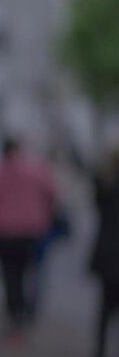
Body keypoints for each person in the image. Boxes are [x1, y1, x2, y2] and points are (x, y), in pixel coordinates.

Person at [0, 138, 55, 341]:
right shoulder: (35, 171)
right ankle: (26, 311)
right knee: (28, 272)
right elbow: (52, 193)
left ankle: (14, 315)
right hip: (30, 230)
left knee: (9, 274)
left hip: (2, 233)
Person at [90, 147, 119, 357]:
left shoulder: (105, 184)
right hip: (110, 252)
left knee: (105, 308)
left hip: (108, 253)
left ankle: (99, 351)